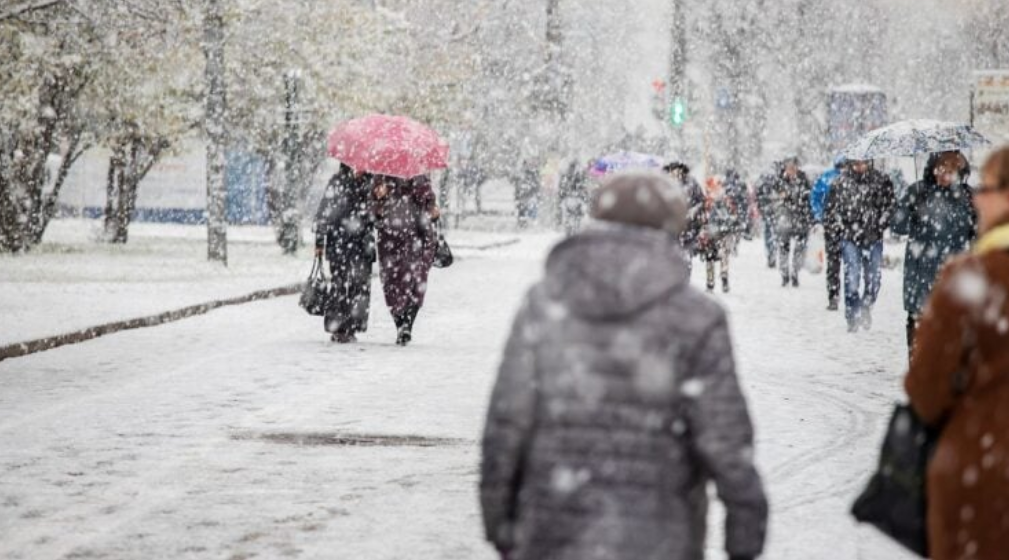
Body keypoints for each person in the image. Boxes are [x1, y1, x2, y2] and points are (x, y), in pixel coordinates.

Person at [480, 172, 768, 560]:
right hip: (658, 536)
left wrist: (500, 519)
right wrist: (745, 536)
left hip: (553, 529)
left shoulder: (544, 305)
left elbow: (507, 421)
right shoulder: (697, 318)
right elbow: (726, 438)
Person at [904, 146, 1009, 560]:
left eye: (984, 186)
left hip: (980, 476)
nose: (976, 197)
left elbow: (926, 391)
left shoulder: (971, 280)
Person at [892, 151, 977, 350]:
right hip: (921, 272)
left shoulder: (967, 196)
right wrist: (909, 208)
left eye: (951, 170)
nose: (945, 175)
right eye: (940, 169)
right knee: (919, 326)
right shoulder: (918, 192)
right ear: (932, 168)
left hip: (955, 273)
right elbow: (898, 226)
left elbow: (978, 232)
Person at [823, 160, 896, 332]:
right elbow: (831, 210)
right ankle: (852, 316)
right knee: (852, 278)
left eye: (863, 162)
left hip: (873, 236)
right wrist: (841, 227)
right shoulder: (840, 183)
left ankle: (866, 307)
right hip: (850, 237)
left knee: (874, 280)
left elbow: (890, 205)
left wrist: (881, 222)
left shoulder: (881, 180)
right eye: (856, 163)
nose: (860, 166)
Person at [373, 174, 441, 346]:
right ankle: (400, 324)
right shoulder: (381, 179)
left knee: (417, 286)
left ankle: (406, 326)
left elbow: (431, 210)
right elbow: (373, 211)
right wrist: (378, 202)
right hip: (390, 243)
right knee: (391, 286)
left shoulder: (422, 180)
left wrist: (432, 210)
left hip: (417, 241)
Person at [313, 164, 375, 343]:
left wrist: (376, 200)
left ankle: (353, 326)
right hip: (338, 242)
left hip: (362, 244)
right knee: (339, 284)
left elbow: (377, 215)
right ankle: (338, 327)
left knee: (360, 287)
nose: (360, 168)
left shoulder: (372, 183)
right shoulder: (337, 181)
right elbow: (324, 212)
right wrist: (319, 242)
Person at [773, 157, 814, 287]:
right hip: (785, 217)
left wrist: (799, 198)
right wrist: (782, 198)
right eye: (788, 167)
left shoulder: (803, 179)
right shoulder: (780, 180)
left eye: (793, 167)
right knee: (784, 247)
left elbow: (808, 197)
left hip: (801, 217)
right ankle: (784, 274)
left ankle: (795, 272)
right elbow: (775, 196)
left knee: (800, 247)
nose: (790, 170)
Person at [698, 176, 742, 293]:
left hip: (722, 232)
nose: (715, 190)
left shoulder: (723, 201)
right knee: (711, 258)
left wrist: (731, 225)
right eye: (713, 188)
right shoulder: (706, 202)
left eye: (717, 187)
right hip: (711, 233)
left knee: (722, 255)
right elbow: (702, 218)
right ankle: (711, 282)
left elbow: (733, 216)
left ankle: (723, 278)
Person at [811, 158, 845, 310]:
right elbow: (815, 198)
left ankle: (835, 295)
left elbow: (815, 198)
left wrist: (820, 215)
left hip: (838, 225)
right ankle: (836, 295)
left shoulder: (826, 178)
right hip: (838, 225)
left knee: (835, 262)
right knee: (836, 262)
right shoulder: (828, 178)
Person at [664, 161, 705, 277]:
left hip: (688, 227)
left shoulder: (691, 183)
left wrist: (694, 210)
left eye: (677, 170)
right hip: (670, 228)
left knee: (686, 257)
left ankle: (684, 278)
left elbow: (701, 200)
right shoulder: (664, 183)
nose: (675, 173)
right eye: (672, 170)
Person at [755, 164, 781, 269]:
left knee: (768, 232)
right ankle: (773, 252)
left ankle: (771, 253)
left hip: (767, 211)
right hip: (775, 211)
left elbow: (757, 197)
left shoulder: (763, 180)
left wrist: (761, 208)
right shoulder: (777, 179)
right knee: (773, 231)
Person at [557, 159, 589, 236]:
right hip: (572, 199)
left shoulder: (578, 176)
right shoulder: (568, 176)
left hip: (574, 199)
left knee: (573, 217)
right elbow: (561, 188)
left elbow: (583, 188)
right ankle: (571, 231)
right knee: (572, 217)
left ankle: (572, 231)